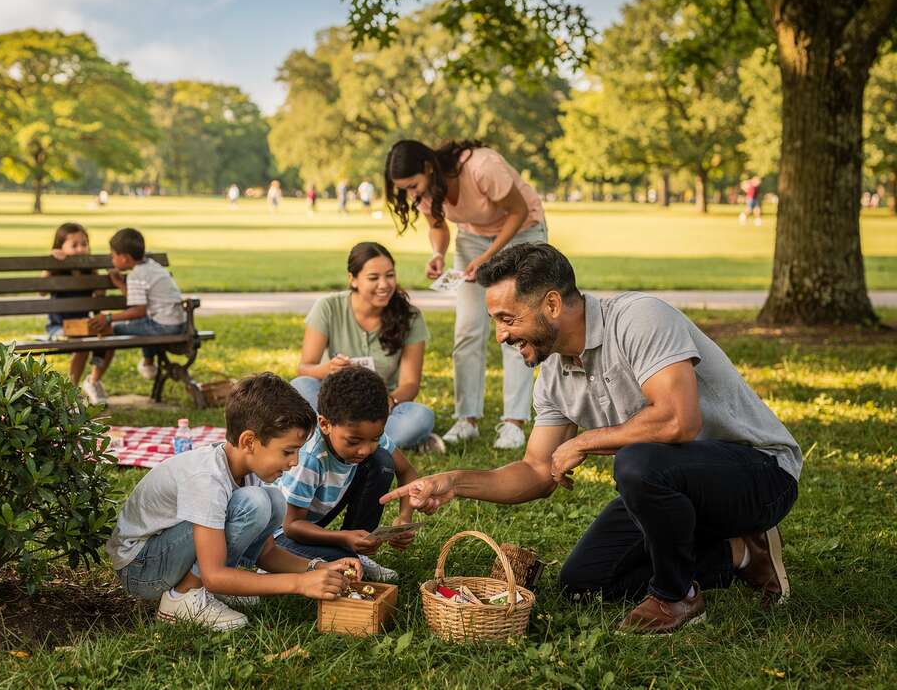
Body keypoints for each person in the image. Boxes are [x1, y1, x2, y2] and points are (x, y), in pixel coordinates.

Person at [382, 243, 801, 635]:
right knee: (586, 581)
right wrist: (453, 481)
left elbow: (678, 421)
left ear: (551, 304)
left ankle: (677, 597)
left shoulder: (639, 318)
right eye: (496, 321)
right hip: (675, 481)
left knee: (636, 463)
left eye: (508, 319)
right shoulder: (552, 376)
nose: (501, 336)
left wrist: (584, 441)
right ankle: (743, 554)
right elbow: (536, 470)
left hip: (760, 474)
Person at [107, 372, 361, 631]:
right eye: (288, 451)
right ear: (249, 441)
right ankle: (181, 598)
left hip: (165, 556)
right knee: (254, 503)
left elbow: (267, 554)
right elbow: (214, 574)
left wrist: (317, 567)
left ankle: (206, 589)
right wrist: (298, 584)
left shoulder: (249, 471)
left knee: (272, 500)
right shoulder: (207, 479)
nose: (295, 461)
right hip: (140, 568)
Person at [385, 139, 549, 449]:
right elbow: (438, 226)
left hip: (522, 232)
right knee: (468, 328)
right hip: (472, 239)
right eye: (404, 189)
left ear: (428, 167)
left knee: (515, 325)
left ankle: (514, 422)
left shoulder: (482, 167)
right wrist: (438, 253)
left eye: (412, 185)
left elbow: (518, 211)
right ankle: (467, 419)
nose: (411, 194)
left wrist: (490, 257)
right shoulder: (424, 190)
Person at [293, 242, 442, 452]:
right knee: (300, 385)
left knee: (421, 416)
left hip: (381, 409)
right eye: (374, 278)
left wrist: (390, 400)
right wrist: (328, 369)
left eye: (390, 275)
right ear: (353, 279)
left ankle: (332, 440)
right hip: (333, 404)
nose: (384, 284)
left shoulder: (411, 316)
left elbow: (410, 384)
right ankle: (382, 442)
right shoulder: (328, 307)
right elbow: (305, 367)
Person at [277, 367, 421, 582]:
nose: (365, 449)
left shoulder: (367, 436)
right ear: (325, 424)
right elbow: (291, 527)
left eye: (375, 438)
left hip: (311, 522)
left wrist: (404, 517)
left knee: (381, 461)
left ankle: (356, 551)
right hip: (277, 535)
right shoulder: (309, 457)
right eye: (353, 441)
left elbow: (407, 471)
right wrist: (343, 539)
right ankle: (280, 564)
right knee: (342, 559)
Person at [87, 228, 186, 387]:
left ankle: (93, 380)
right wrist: (120, 284)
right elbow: (139, 303)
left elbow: (139, 311)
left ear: (125, 258)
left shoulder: (136, 275)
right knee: (145, 325)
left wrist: (108, 318)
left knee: (109, 330)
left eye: (113, 255)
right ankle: (148, 364)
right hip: (179, 323)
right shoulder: (151, 266)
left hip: (162, 326)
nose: (112, 259)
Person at [42, 222, 102, 400]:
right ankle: (72, 389)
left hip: (83, 326)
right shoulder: (58, 271)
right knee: (82, 341)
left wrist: (100, 273)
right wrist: (51, 263)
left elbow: (100, 294)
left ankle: (88, 381)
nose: (80, 249)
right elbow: (41, 290)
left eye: (84, 244)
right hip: (58, 327)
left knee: (105, 337)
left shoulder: (89, 270)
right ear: (59, 247)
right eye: (74, 245)